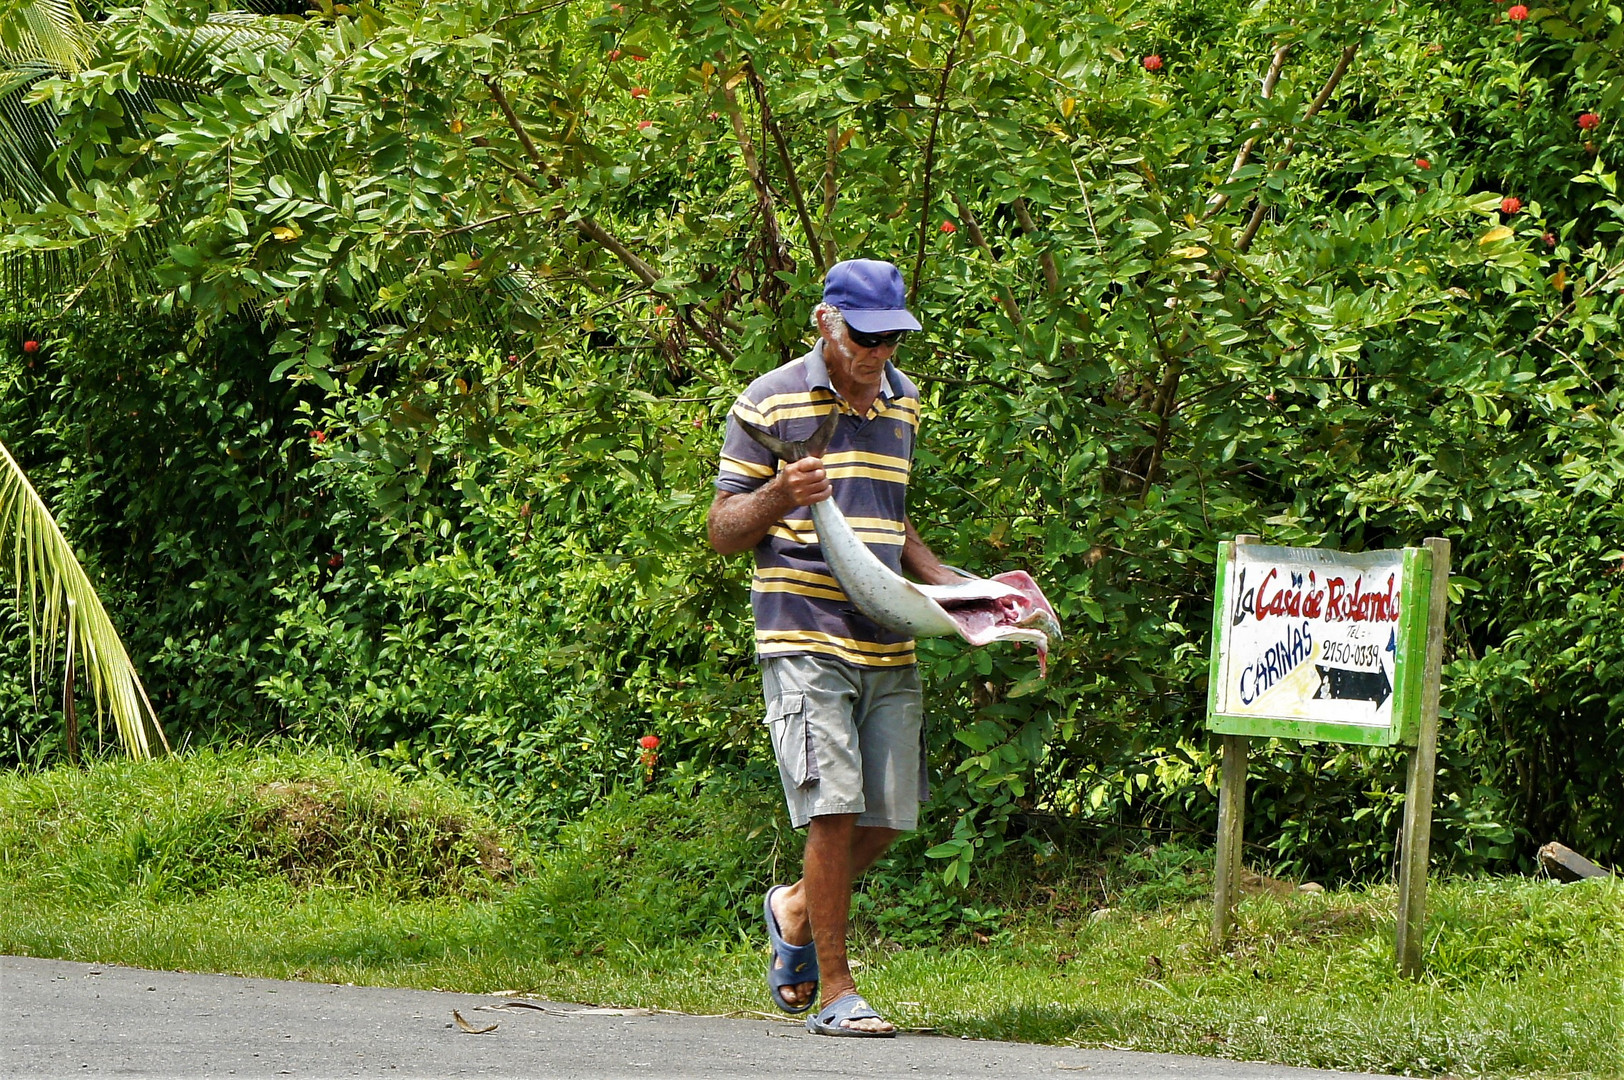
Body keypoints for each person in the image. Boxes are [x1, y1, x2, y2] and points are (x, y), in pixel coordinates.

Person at [707, 258, 961, 1038]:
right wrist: (782, 493)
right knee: (834, 807)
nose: (878, 352)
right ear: (827, 320)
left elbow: (888, 513)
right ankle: (836, 993)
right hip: (802, 632)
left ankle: (791, 907)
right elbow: (722, 531)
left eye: (892, 338)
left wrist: (946, 584)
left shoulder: (903, 402)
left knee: (891, 814)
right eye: (865, 335)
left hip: (888, 633)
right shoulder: (769, 399)